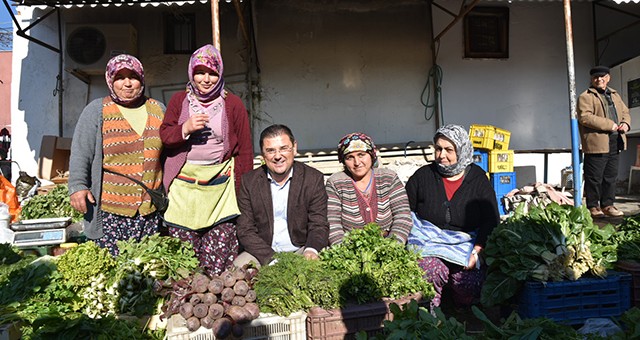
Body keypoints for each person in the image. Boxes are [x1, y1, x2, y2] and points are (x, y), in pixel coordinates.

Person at [160, 44, 253, 276]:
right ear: (191, 72)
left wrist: (242, 189)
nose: (206, 79)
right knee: (185, 253)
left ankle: (218, 300)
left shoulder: (232, 104)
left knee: (219, 249)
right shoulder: (179, 101)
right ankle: (186, 296)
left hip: (220, 187)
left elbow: (245, 149)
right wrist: (185, 128)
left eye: (212, 73)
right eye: (200, 72)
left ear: (220, 74)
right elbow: (165, 136)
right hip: (184, 186)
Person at [69, 54, 166, 256]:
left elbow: (170, 153)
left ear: (142, 79)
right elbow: (81, 152)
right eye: (119, 77)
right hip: (111, 211)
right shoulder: (97, 110)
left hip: (150, 212)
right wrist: (78, 186)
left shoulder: (158, 109)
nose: (127, 83)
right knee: (115, 275)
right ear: (110, 81)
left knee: (148, 272)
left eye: (133, 76)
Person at [405, 124, 499, 310]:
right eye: (438, 149)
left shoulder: (478, 178)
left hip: (466, 244)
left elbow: (491, 219)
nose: (442, 155)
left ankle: (462, 308)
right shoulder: (423, 176)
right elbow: (406, 210)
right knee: (432, 271)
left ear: (462, 150)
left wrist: (477, 251)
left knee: (467, 282)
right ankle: (430, 313)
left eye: (449, 150)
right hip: (428, 243)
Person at [234, 124, 329, 267]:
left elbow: (319, 223)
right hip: (263, 251)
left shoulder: (312, 179)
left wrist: (311, 249)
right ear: (263, 154)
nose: (278, 156)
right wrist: (271, 259)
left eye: (283, 148)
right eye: (271, 150)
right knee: (239, 268)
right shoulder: (250, 182)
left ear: (294, 148)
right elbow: (245, 229)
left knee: (318, 268)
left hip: (300, 247)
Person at [325, 132, 412, 245]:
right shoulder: (335, 183)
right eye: (349, 157)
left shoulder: (388, 178)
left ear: (371, 155)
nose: (357, 162)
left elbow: (403, 216)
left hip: (389, 246)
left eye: (361, 155)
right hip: (351, 250)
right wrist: (346, 253)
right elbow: (332, 224)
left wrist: (392, 247)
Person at [577, 65, 631, 218]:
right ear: (591, 79)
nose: (599, 79)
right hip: (597, 143)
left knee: (610, 176)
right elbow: (585, 117)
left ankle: (608, 205)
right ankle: (593, 206)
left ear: (608, 78)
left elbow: (625, 112)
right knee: (594, 177)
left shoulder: (614, 95)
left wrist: (626, 123)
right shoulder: (585, 96)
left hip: (615, 141)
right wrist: (610, 124)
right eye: (596, 77)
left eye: (602, 76)